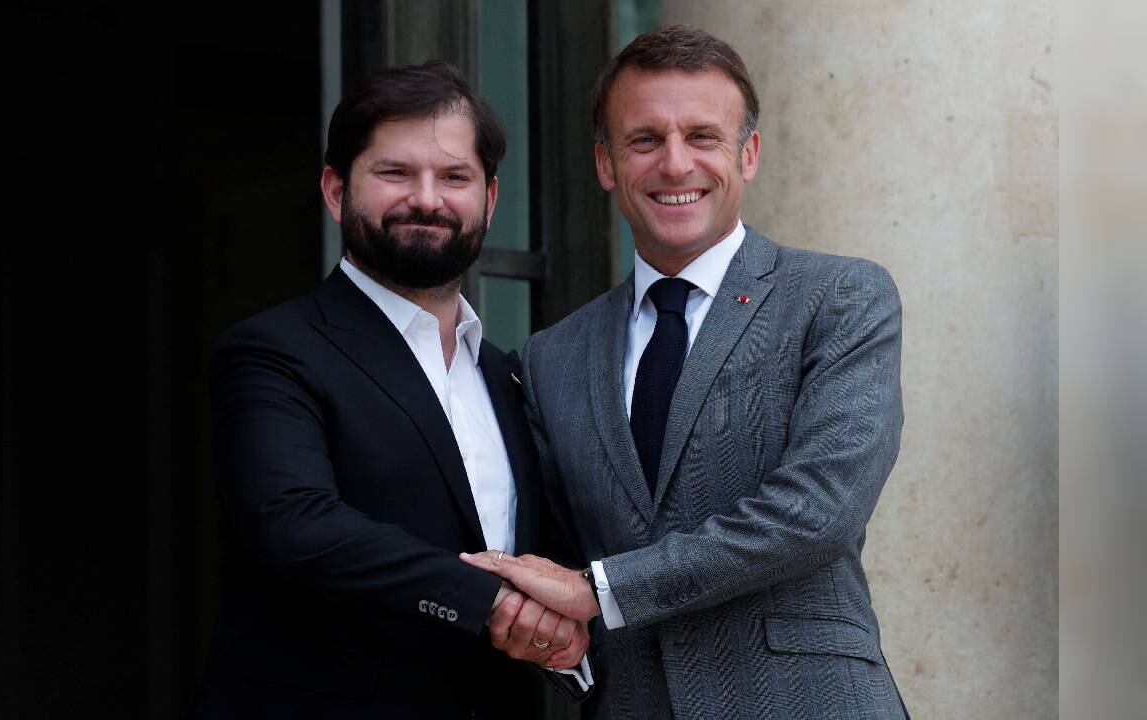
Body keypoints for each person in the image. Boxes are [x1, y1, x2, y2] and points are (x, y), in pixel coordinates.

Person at [462, 26, 910, 719]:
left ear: (749, 153)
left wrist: (601, 590)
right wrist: (559, 638)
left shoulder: (839, 298)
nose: (675, 164)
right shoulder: (555, 355)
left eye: (703, 136)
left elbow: (820, 509)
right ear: (607, 164)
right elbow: (560, 559)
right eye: (645, 140)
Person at [194, 60, 587, 719]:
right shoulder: (273, 351)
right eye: (395, 173)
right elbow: (294, 522)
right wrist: (488, 602)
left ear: (489, 201)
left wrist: (571, 628)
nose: (427, 200)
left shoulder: (507, 374)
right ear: (335, 189)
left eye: (454, 177)